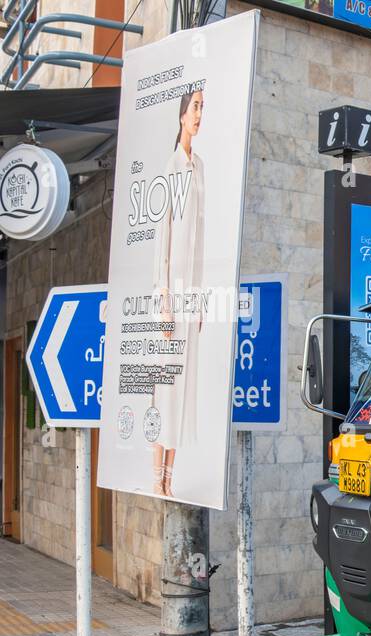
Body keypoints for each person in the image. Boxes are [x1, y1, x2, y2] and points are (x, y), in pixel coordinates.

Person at [151, 87, 206, 497]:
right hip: (170, 299)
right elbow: (162, 240)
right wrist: (164, 301)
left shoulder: (199, 166)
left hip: (191, 298)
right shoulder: (170, 168)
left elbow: (199, 239)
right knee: (165, 391)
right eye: (195, 107)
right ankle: (158, 479)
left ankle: (172, 476)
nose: (200, 114)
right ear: (181, 114)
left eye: (203, 107)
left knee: (184, 387)